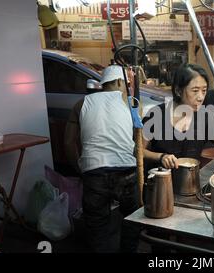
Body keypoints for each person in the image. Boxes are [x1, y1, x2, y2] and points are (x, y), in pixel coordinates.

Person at [64, 65, 139, 253]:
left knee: (97, 227)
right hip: (126, 171)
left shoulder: (81, 104)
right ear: (120, 82)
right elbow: (136, 140)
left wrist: (82, 169)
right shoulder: (131, 102)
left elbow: (68, 143)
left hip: (94, 171)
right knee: (132, 219)